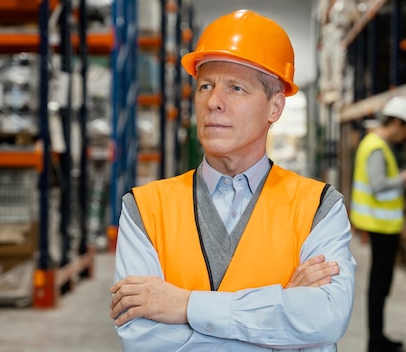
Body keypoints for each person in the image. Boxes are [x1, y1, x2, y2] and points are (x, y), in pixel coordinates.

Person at [109, 9, 356, 352]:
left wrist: (185, 306)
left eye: (236, 88)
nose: (213, 102)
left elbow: (326, 320)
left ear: (275, 108)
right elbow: (144, 339)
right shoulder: (144, 209)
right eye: (205, 86)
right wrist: (284, 310)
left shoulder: (318, 207)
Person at [350, 96, 406, 352]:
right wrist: (405, 179)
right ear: (395, 122)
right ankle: (375, 342)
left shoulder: (374, 144)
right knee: (379, 287)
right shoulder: (376, 147)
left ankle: (378, 338)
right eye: (405, 129)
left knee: (380, 285)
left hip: (381, 225)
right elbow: (378, 185)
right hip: (380, 226)